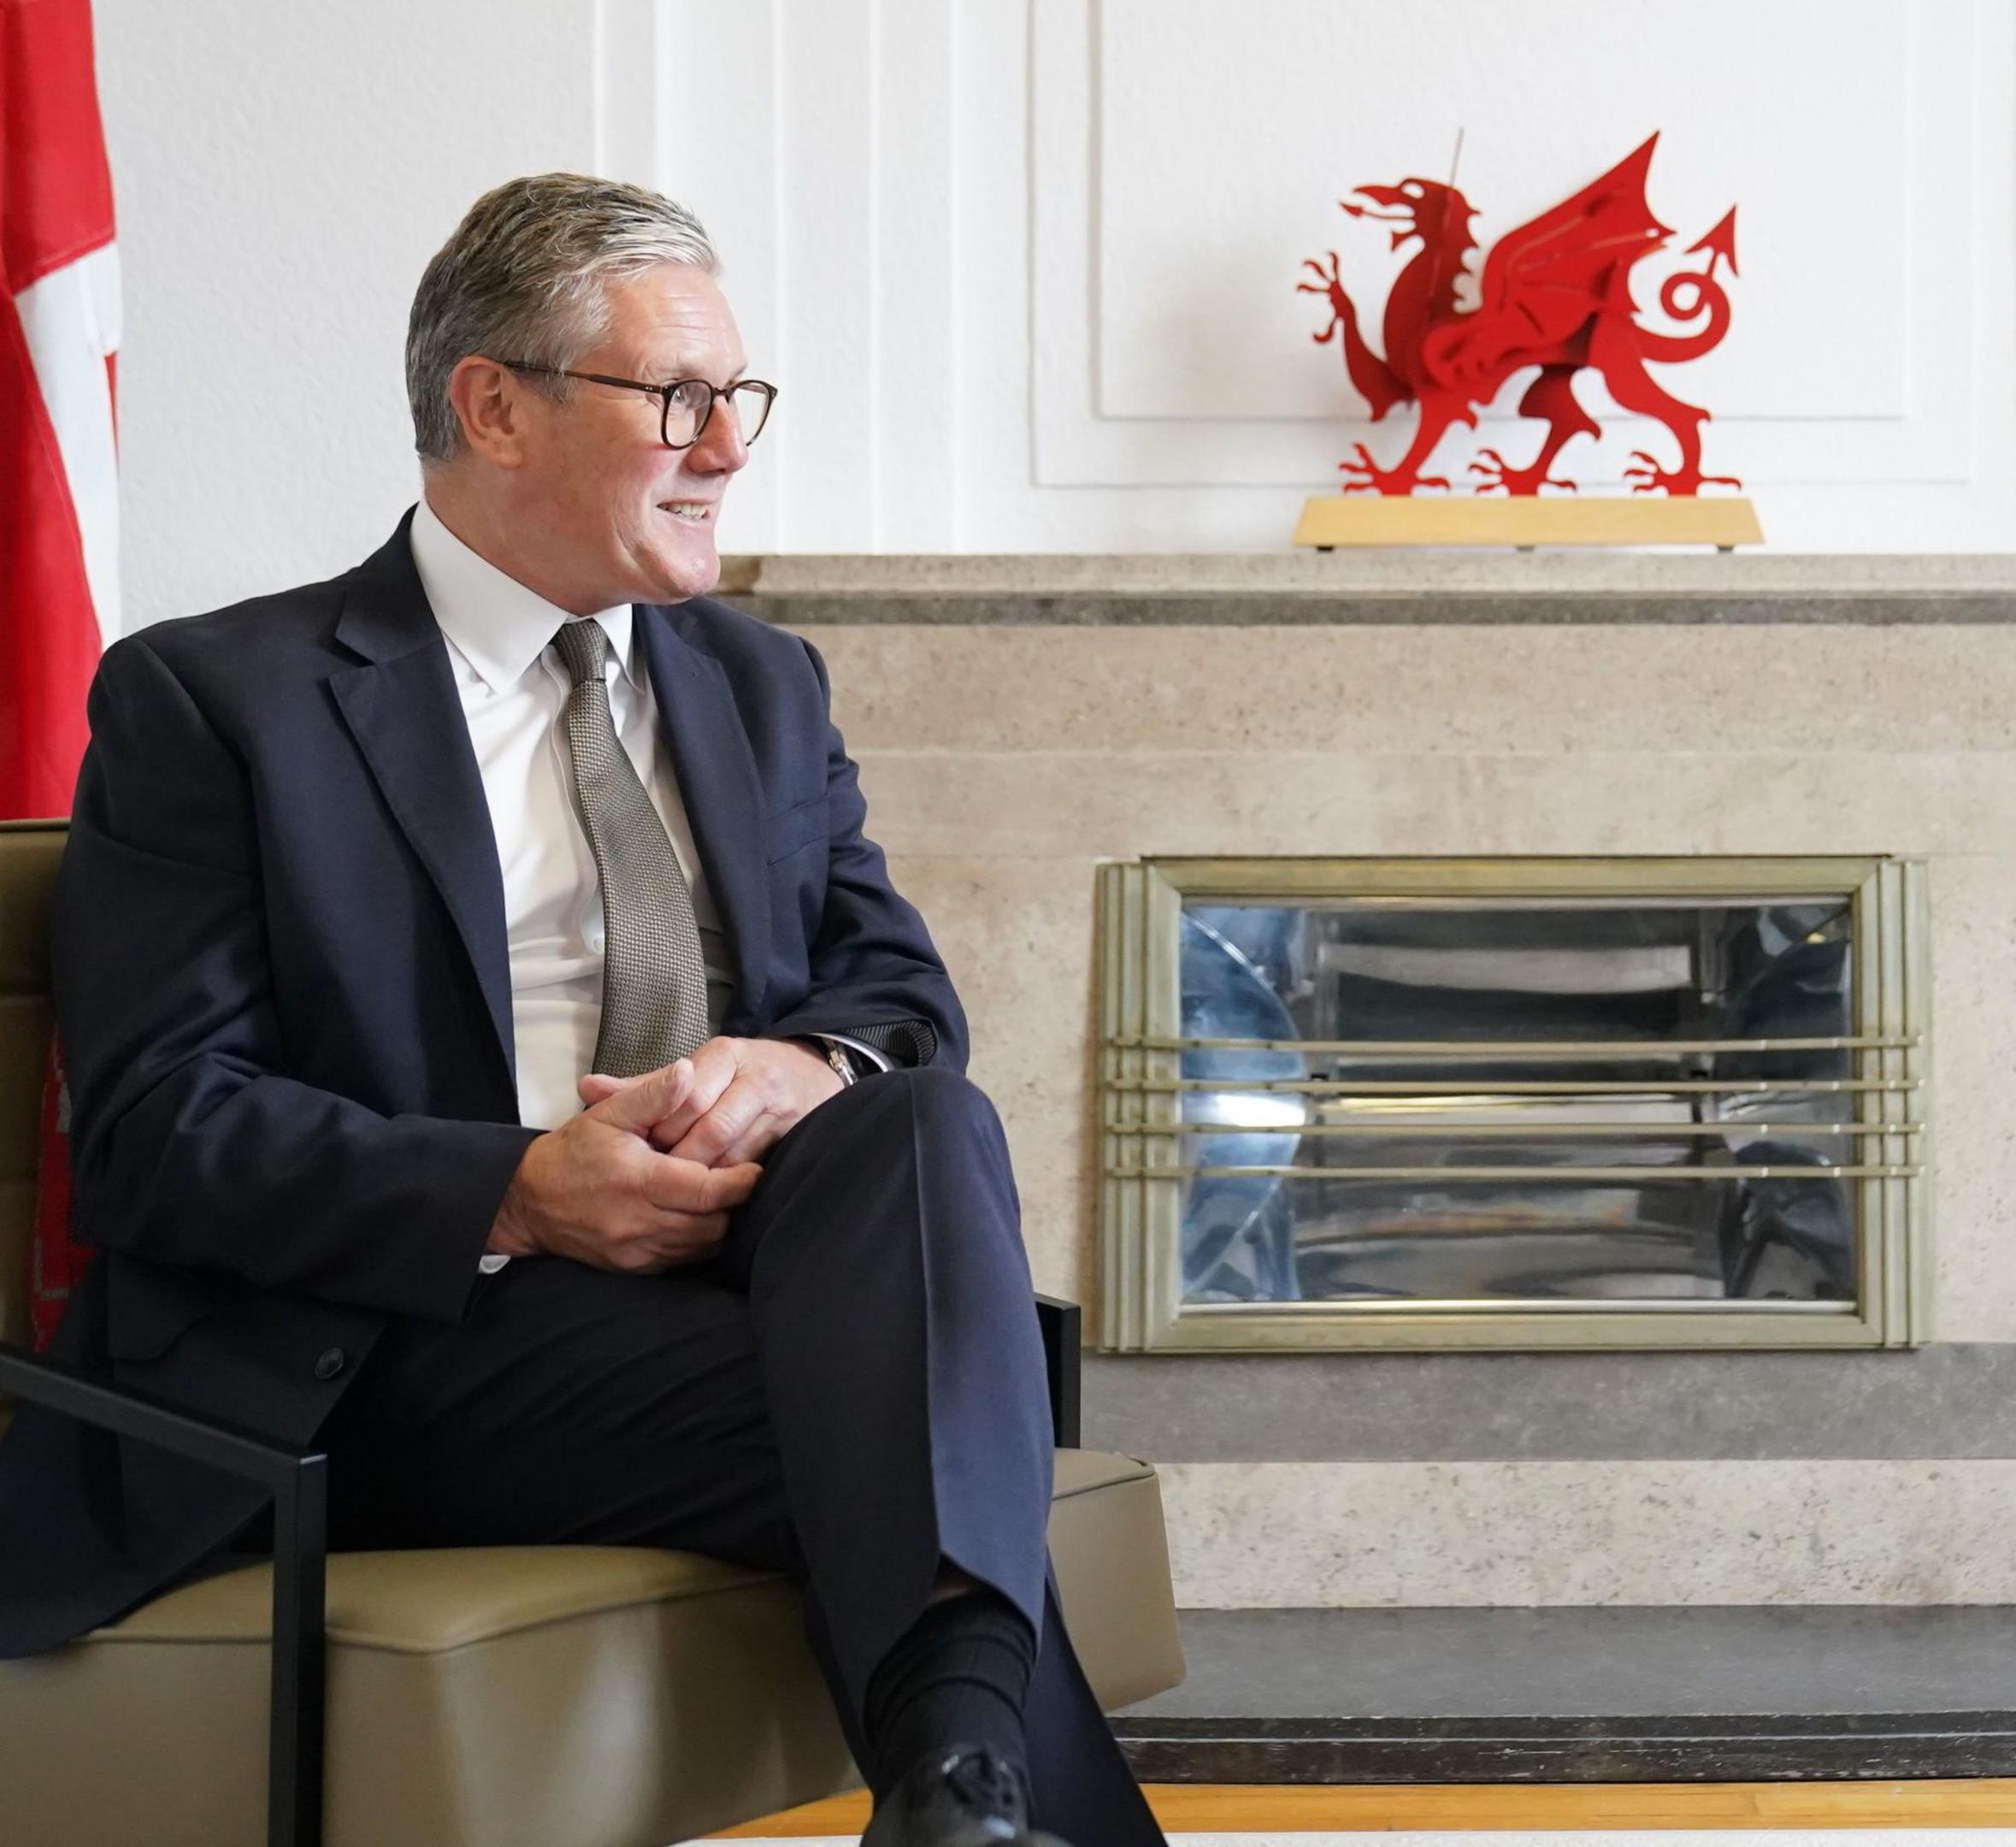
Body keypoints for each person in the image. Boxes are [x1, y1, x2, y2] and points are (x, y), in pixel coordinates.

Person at [0, 174, 1155, 1847]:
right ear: (494, 407)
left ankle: (952, 1795)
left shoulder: (760, 685)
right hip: (384, 1352)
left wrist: (796, 1064)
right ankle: (961, 1774)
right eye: (677, 398)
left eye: (738, 397)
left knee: (912, 1116)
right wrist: (513, 1189)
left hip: (734, 1288)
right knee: (929, 1413)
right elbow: (153, 1128)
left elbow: (899, 999)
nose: (730, 445)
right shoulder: (221, 699)